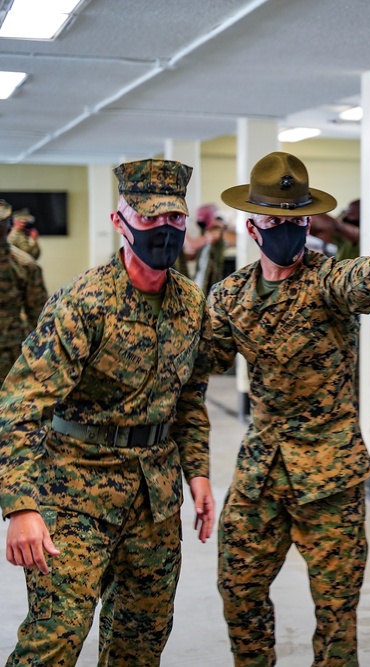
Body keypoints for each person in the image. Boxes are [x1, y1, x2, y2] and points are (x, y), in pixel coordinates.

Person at [0, 159, 215, 666]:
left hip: (155, 500)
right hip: (75, 491)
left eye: (175, 221)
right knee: (55, 638)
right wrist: (20, 505)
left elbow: (189, 397)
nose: (164, 231)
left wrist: (199, 473)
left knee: (140, 643)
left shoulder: (191, 303)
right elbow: (21, 404)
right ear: (121, 223)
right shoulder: (83, 302)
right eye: (150, 221)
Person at [208, 151, 370, 666]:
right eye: (276, 222)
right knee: (238, 588)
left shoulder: (325, 280)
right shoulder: (230, 294)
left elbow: (355, 279)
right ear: (253, 227)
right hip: (262, 470)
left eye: (297, 221)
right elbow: (198, 363)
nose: (287, 231)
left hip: (329, 471)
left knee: (336, 608)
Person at [0, 200, 47, 379]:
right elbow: (38, 315)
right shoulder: (25, 264)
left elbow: (38, 314)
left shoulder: (24, 264)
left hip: (11, 351)